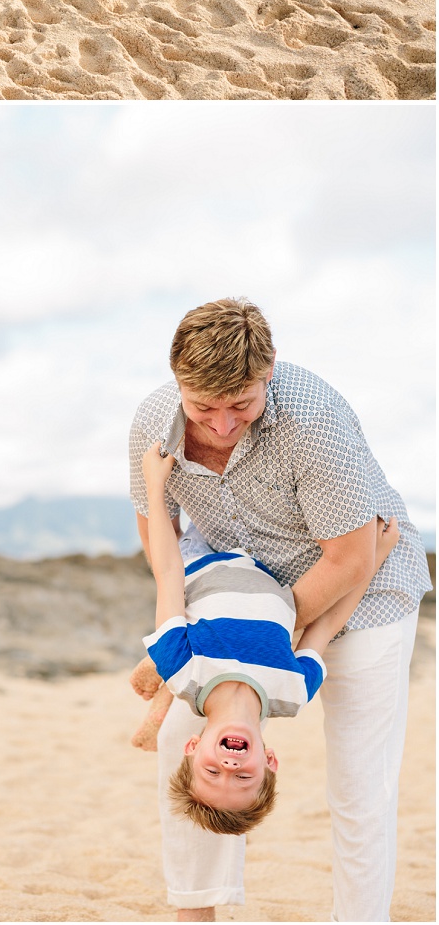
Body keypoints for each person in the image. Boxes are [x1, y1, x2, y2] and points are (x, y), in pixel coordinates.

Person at [128, 299, 431, 923]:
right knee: (179, 751)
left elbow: (349, 560)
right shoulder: (152, 427)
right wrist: (246, 630)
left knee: (360, 789)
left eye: (240, 405)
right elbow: (158, 537)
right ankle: (196, 911)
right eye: (202, 407)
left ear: (268, 375)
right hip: (246, 604)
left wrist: (257, 632)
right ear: (178, 384)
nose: (220, 425)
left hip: (363, 590)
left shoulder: (314, 419)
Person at [140, 442, 400, 837]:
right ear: (269, 761)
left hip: (201, 553)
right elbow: (325, 626)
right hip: (271, 564)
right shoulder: (292, 692)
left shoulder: (183, 671)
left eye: (212, 772)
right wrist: (371, 558)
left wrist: (153, 488)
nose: (229, 769)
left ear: (192, 749)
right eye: (243, 780)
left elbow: (169, 571)